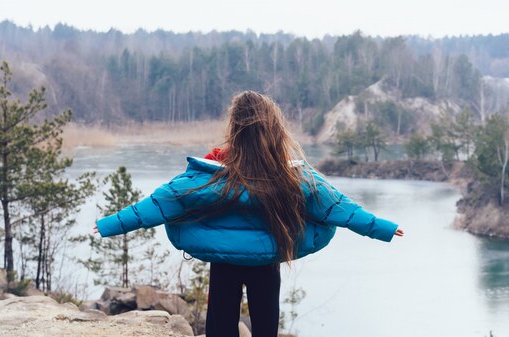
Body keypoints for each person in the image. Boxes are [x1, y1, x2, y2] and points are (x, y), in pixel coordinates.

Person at [94, 90, 404, 337]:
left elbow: (160, 204)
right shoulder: (287, 172)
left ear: (235, 127)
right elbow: (338, 207)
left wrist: (109, 225)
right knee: (266, 324)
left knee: (220, 324)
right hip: (267, 257)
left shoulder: (215, 167)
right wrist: (383, 227)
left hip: (224, 260)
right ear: (273, 128)